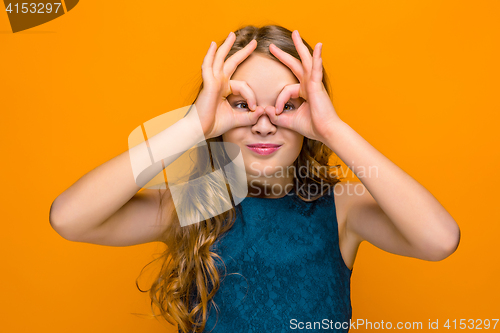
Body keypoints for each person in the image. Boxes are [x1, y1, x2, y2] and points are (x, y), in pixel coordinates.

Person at [49, 25, 461, 333]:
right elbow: (70, 217)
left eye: (287, 104)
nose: (263, 125)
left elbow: (439, 238)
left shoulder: (340, 207)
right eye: (242, 105)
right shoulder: (201, 201)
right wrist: (193, 126)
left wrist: (334, 129)